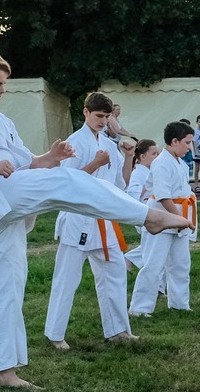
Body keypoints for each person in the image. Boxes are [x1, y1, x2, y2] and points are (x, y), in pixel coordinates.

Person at [0, 50, 190, 390]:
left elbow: (28, 164)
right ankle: (147, 217)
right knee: (69, 181)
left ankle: (3, 372)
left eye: (4, 84)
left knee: (6, 287)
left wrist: (49, 157)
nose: (2, 90)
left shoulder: (1, 121)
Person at [44, 93, 139, 351]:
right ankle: (55, 334)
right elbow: (66, 183)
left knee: (115, 273)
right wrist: (95, 163)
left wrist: (128, 158)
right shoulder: (73, 143)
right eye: (98, 116)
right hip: (78, 219)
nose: (103, 121)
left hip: (104, 220)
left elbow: (120, 184)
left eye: (107, 117)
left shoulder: (109, 145)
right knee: (67, 278)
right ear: (85, 112)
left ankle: (117, 330)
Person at [130, 122, 198, 316]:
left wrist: (182, 220)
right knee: (153, 264)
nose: (189, 147)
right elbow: (163, 196)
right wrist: (180, 219)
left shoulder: (179, 162)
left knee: (181, 264)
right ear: (174, 141)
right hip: (160, 219)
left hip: (179, 217)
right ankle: (139, 308)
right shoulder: (161, 163)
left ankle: (179, 304)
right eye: (187, 142)